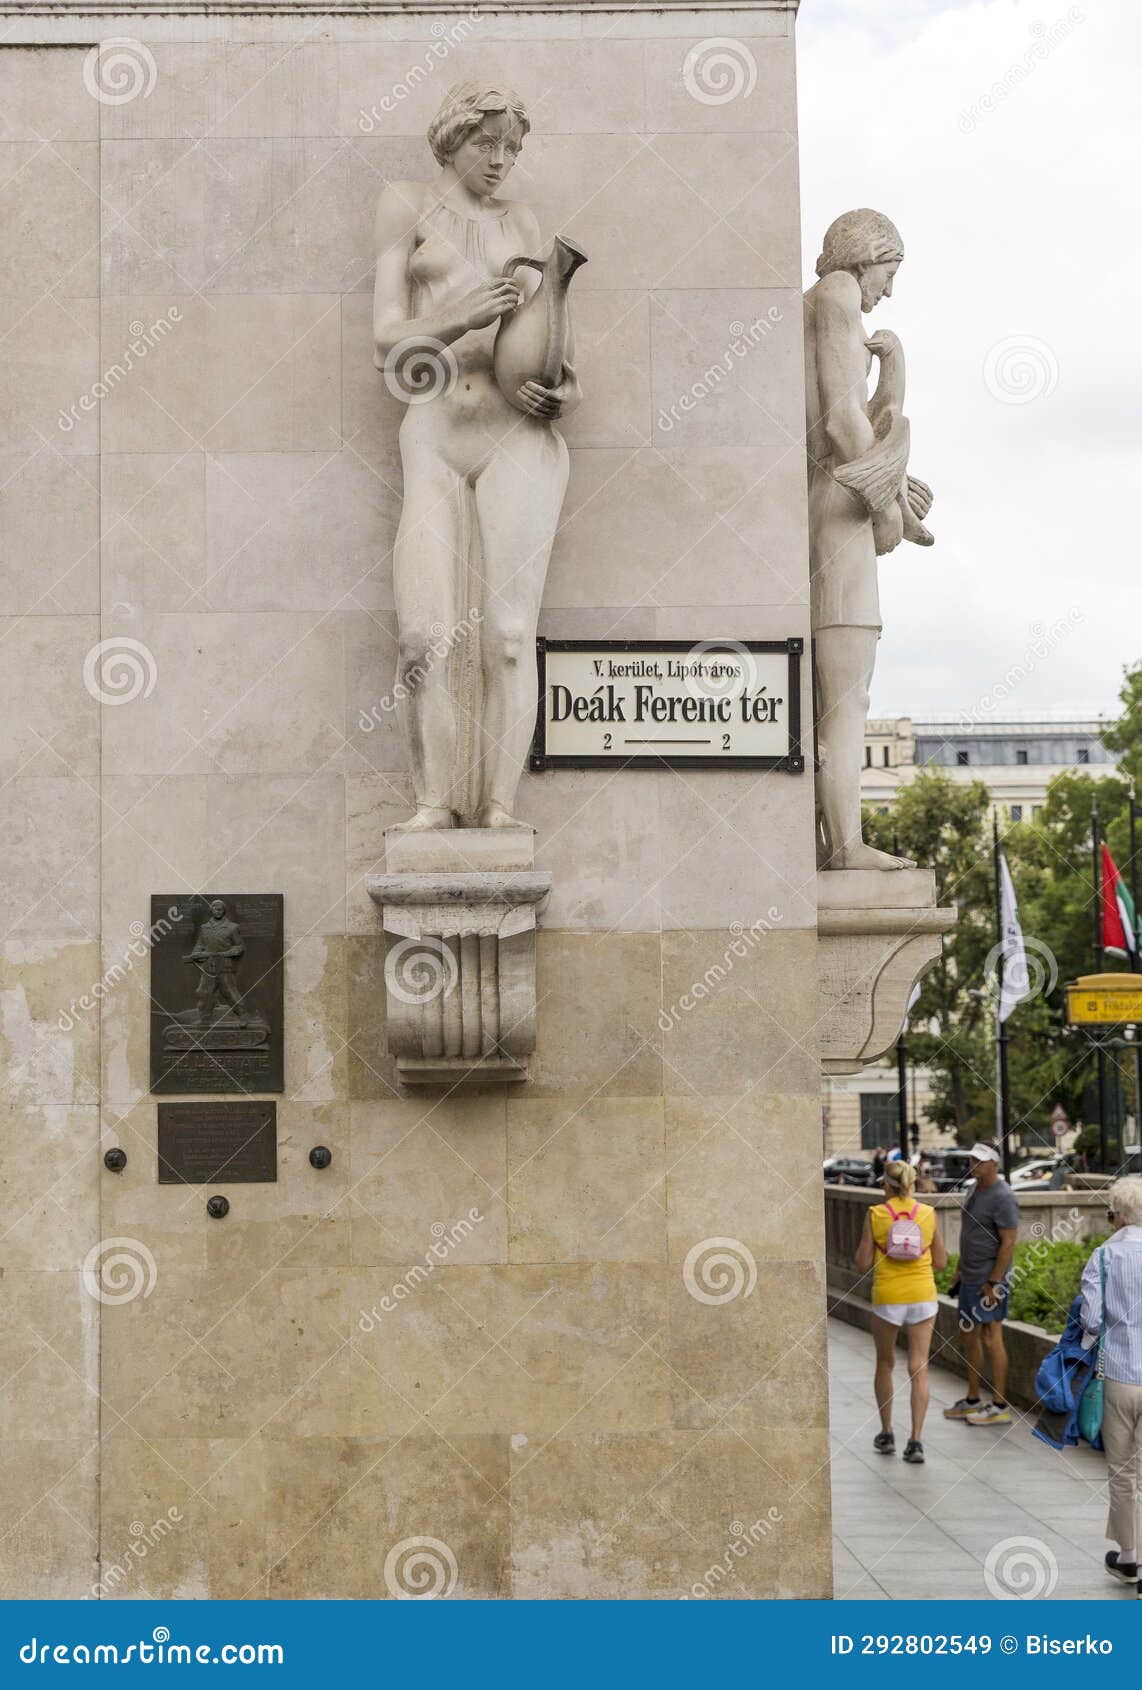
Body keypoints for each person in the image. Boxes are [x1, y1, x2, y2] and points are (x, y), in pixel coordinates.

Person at [372, 81, 581, 831]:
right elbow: (385, 339)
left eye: (511, 150)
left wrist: (567, 388)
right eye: (486, 144)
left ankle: (498, 807)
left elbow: (546, 331)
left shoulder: (520, 220)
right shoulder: (404, 205)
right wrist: (463, 315)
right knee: (422, 635)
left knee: (510, 636)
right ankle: (434, 802)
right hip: (434, 428)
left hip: (513, 434)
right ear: (452, 139)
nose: (499, 160)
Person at [854, 1158, 948, 1463]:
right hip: (922, 1295)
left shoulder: (876, 1214)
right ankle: (916, 1441)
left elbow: (862, 1263)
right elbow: (941, 1262)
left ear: (886, 1185)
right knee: (919, 1367)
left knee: (885, 1364)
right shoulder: (927, 1213)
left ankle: (887, 1433)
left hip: (888, 1296)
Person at [1078, 1175, 1142, 1594]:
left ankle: (1130, 1557)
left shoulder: (1103, 1257)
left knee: (1122, 1472)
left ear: (1117, 1215)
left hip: (1118, 1375)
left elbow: (1090, 1320)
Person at [944, 1142, 1019, 1426]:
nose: (973, 1165)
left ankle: (999, 1405)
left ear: (994, 1164)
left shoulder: (1003, 1196)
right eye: (972, 1160)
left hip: (990, 1278)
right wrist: (958, 1270)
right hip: (970, 1275)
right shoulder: (973, 1190)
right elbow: (969, 1232)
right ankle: (973, 1399)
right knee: (968, 1335)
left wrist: (994, 1281)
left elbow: (1008, 1243)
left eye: (980, 1161)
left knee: (991, 1336)